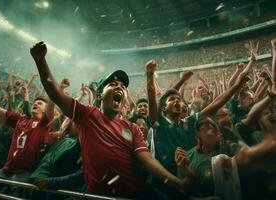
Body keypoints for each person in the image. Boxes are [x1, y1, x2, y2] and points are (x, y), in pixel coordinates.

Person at [30, 41, 190, 199]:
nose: (120, 87)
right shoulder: (87, 115)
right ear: (100, 94)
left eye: (123, 86)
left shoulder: (132, 128)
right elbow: (55, 93)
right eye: (113, 84)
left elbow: (147, 160)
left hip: (135, 195)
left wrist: (179, 184)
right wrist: (41, 61)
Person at [0, 69, 55, 189]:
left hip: (25, 172)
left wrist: (52, 88)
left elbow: (51, 108)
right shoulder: (20, 119)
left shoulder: (44, 124)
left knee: (13, 193)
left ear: (45, 109)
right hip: (6, 170)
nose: (36, 103)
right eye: (35, 102)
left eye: (40, 103)